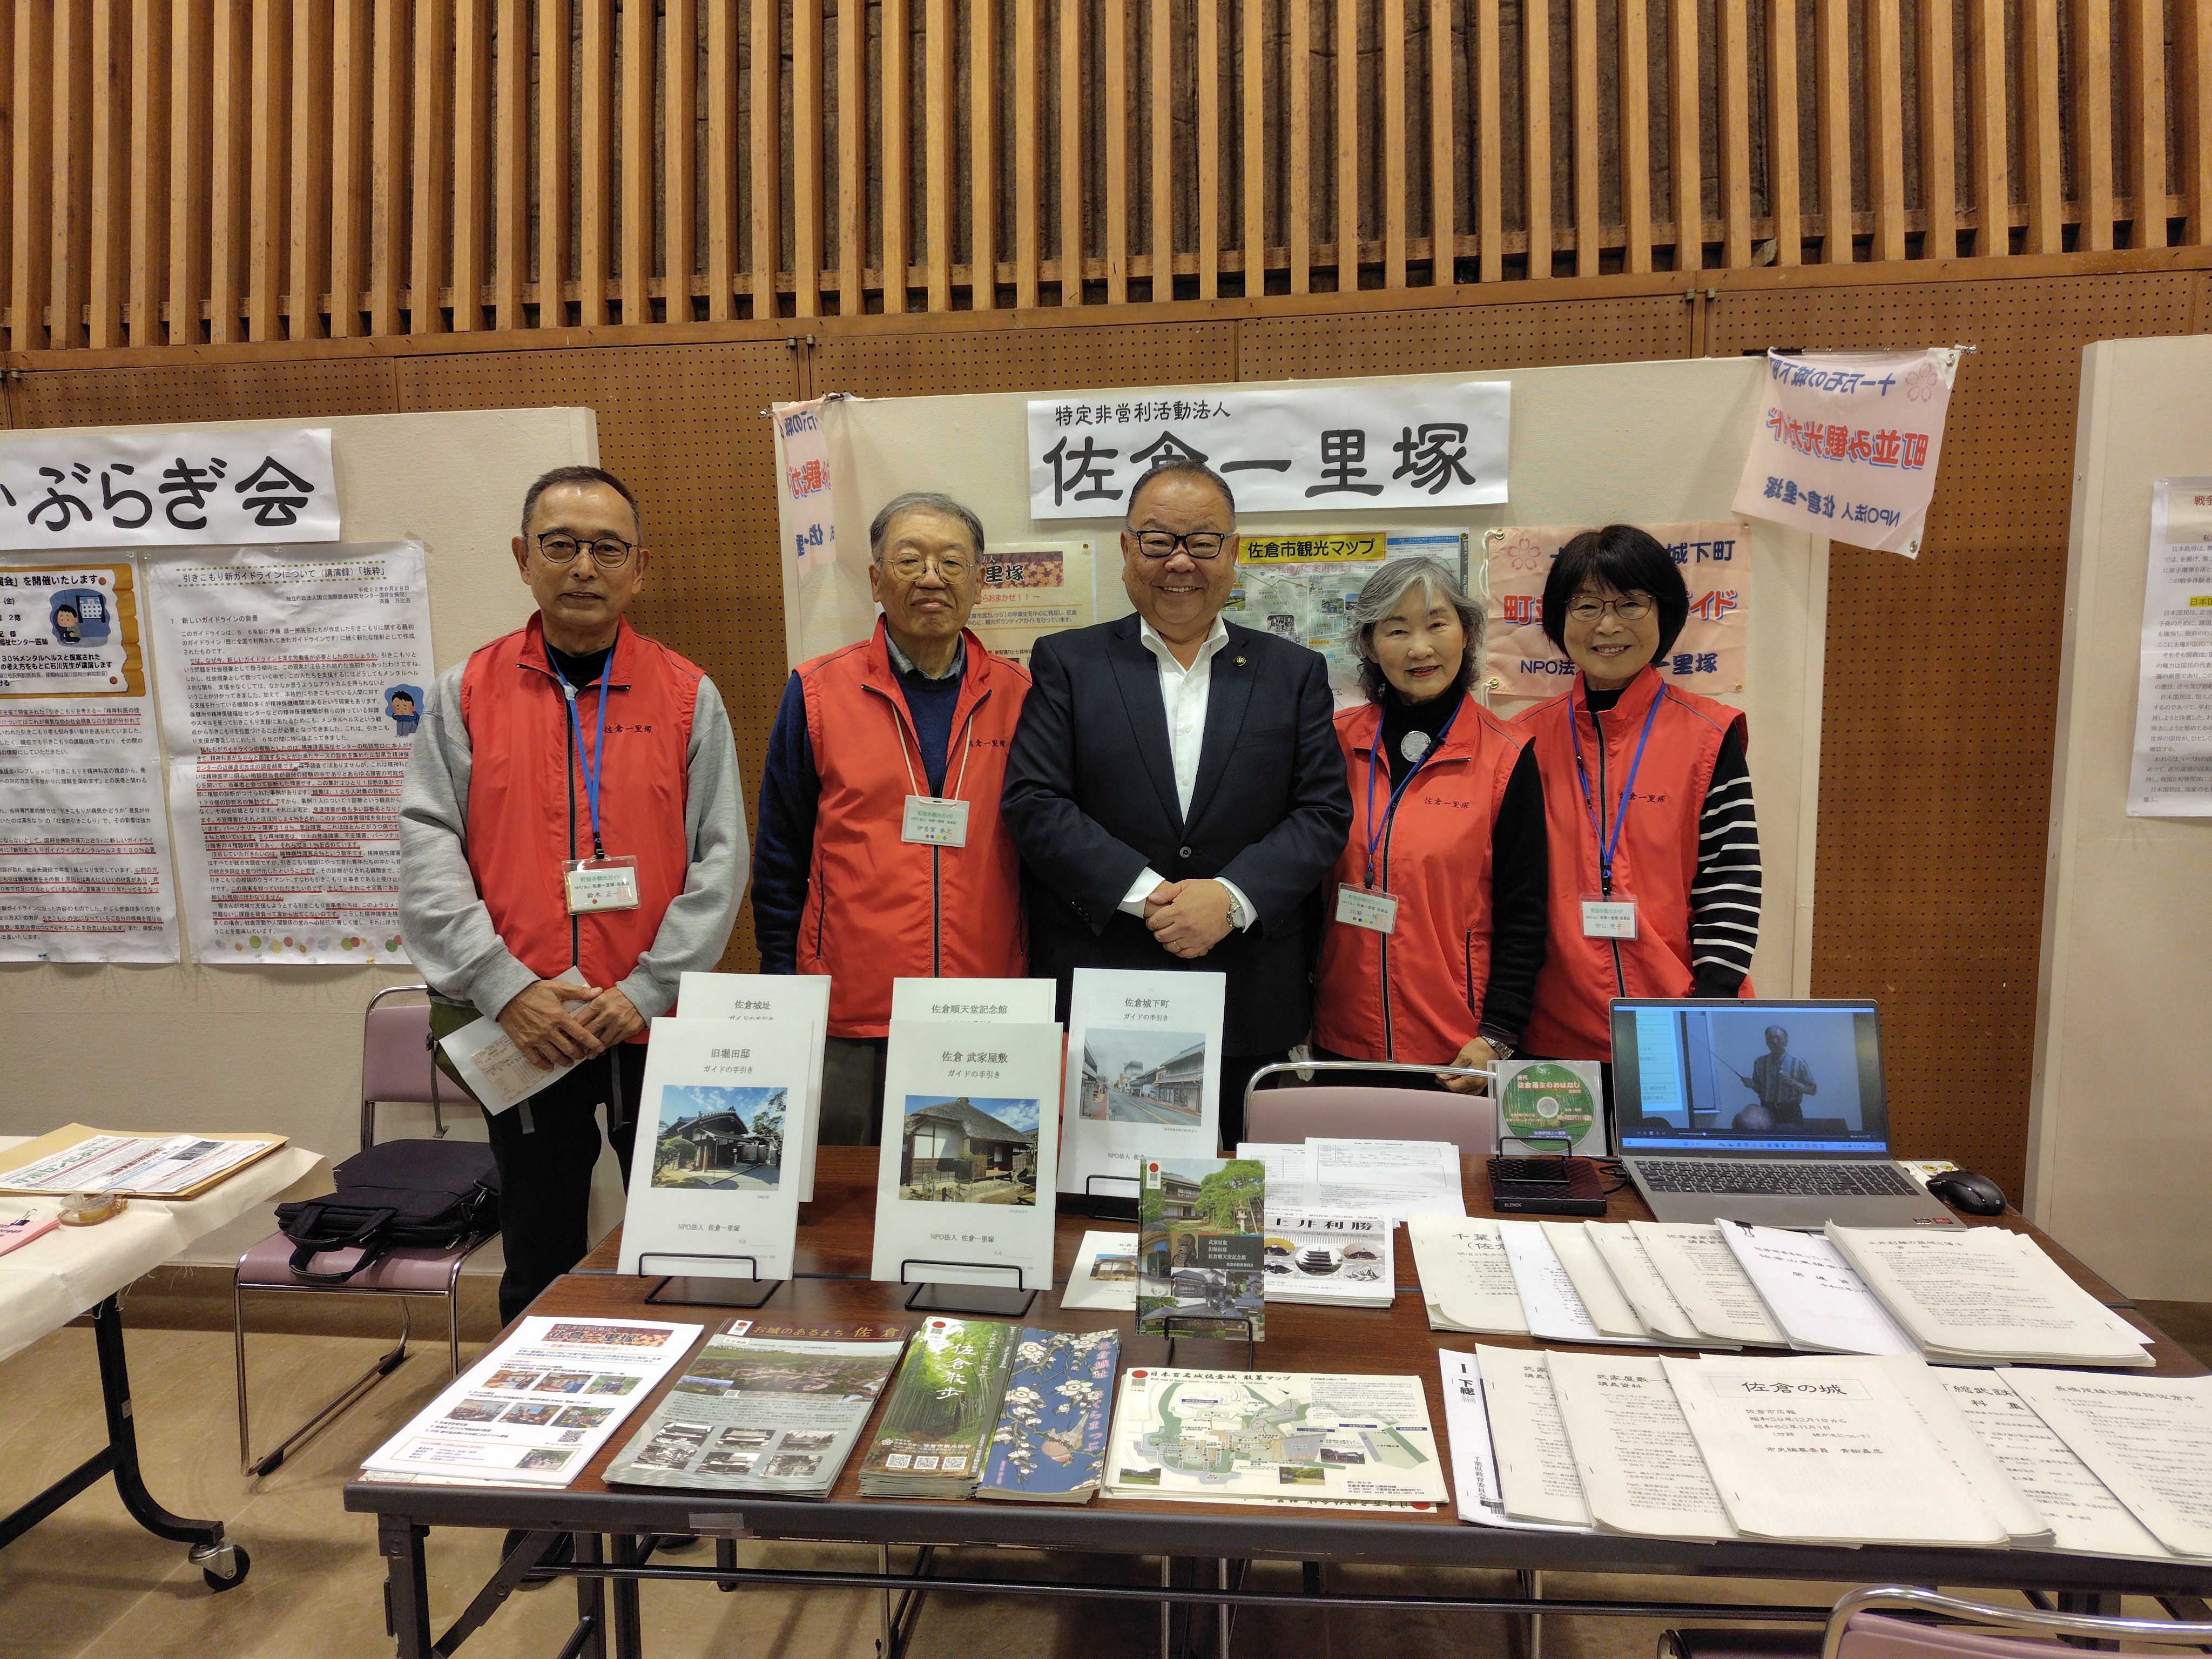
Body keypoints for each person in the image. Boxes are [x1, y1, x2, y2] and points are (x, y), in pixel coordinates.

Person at [399, 464, 747, 1325]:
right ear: (524, 559)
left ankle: (679, 1388)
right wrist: (503, 986)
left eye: (607, 549)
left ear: (640, 568)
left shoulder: (687, 695)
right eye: (561, 546)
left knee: (684, 1246)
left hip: (650, 1023)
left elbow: (721, 858)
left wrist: (648, 988)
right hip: (522, 1022)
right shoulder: (466, 692)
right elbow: (428, 846)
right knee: (540, 1253)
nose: (584, 567)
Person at [1001, 460, 1352, 1147]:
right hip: (1108, 982)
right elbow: (1034, 802)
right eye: (1158, 541)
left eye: (1203, 541)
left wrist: (1228, 899)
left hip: (1250, 990)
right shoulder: (1068, 663)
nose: (1180, 562)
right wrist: (1149, 897)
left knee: (1243, 1190)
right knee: (1108, 1191)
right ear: (1126, 548)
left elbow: (1322, 813)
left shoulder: (1292, 672)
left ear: (1233, 552)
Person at [752, 492, 1031, 1143]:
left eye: (951, 562)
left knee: (974, 1166)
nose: (931, 577)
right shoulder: (817, 691)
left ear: (980, 582)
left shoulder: (1022, 696)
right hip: (851, 1008)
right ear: (877, 580)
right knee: (847, 1189)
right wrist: (783, 986)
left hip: (984, 1002)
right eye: (909, 560)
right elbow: (781, 853)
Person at [1517, 524, 1761, 1065]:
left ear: (1664, 612)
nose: (1608, 625)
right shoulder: (1522, 740)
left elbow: (1731, 880)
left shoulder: (1709, 735)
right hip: (1552, 1034)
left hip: (1683, 1020)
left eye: (1630, 603)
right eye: (1586, 606)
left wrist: (1711, 1003)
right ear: (1559, 618)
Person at [1312, 557, 1548, 1092]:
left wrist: (1498, 1033)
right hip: (1340, 1037)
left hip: (1457, 1048)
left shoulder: (1506, 756)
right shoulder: (1332, 743)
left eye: (1437, 624)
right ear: (1370, 646)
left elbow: (1525, 911)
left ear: (1466, 633)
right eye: (1397, 630)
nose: (1420, 648)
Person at [1746, 1023, 1815, 1123]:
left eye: (1778, 1038)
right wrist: (1752, 1084)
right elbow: (1760, 1089)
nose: (1774, 1042)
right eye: (1770, 1039)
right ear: (1766, 1042)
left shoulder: (1797, 1062)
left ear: (1786, 1042)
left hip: (1791, 1111)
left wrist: (1793, 1082)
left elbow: (1812, 1090)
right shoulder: (1760, 1062)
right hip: (1766, 1110)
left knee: (1792, 1133)